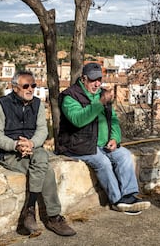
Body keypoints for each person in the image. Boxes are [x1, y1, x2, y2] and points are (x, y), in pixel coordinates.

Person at [56, 62, 151, 215]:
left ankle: (130, 195)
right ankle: (117, 201)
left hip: (101, 144)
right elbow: (78, 119)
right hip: (76, 145)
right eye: (93, 80)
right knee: (103, 162)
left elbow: (113, 120)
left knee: (125, 155)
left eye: (99, 79)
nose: (97, 83)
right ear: (83, 79)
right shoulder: (70, 96)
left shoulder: (102, 94)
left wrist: (114, 138)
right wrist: (99, 103)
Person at [0, 70, 76, 237]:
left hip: (33, 150)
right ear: (14, 88)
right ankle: (53, 217)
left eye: (33, 85)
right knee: (47, 170)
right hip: (10, 154)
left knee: (41, 156)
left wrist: (32, 143)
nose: (31, 89)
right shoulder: (0, 105)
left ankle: (29, 210)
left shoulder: (37, 104)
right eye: (26, 86)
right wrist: (16, 145)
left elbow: (43, 130)